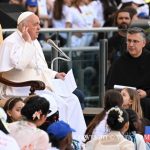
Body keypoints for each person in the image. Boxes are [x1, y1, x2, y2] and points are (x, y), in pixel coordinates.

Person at [0, 11, 86, 142]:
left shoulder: (34, 42)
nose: (39, 27)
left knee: (73, 99)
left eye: (39, 24)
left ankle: (78, 138)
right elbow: (20, 65)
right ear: (24, 26)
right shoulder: (11, 42)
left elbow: (40, 68)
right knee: (59, 103)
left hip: (39, 86)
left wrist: (55, 74)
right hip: (20, 89)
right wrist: (27, 42)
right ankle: (60, 140)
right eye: (35, 24)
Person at [106, 27, 150, 120]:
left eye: (135, 41)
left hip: (145, 101)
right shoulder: (119, 62)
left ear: (143, 43)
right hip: (124, 103)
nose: (131, 44)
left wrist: (146, 93)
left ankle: (147, 134)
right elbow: (110, 87)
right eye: (129, 41)